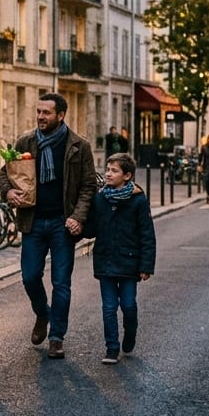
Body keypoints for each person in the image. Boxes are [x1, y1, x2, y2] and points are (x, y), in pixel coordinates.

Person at [0, 93, 97, 360]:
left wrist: (78, 216)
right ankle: (42, 313)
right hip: (33, 221)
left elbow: (89, 186)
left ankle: (57, 337)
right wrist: (8, 193)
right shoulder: (26, 141)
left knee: (61, 282)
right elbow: (4, 174)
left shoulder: (79, 146)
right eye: (38, 111)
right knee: (30, 276)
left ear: (61, 115)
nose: (40, 117)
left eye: (46, 113)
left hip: (63, 223)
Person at [83, 152, 155, 364]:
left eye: (114, 171)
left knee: (129, 305)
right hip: (105, 259)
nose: (108, 174)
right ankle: (111, 348)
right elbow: (91, 229)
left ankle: (130, 331)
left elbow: (147, 234)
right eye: (107, 170)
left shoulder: (138, 200)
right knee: (108, 307)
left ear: (127, 175)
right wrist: (76, 221)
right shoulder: (100, 198)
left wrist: (146, 265)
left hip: (129, 261)